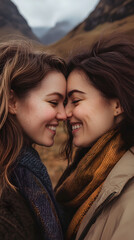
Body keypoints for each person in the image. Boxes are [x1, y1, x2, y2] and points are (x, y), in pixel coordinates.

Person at [55, 35, 134, 240]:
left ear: (118, 105)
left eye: (76, 100)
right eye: (65, 102)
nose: (65, 113)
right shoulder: (91, 173)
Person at [0, 41, 67, 240]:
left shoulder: (24, 173)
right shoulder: (8, 194)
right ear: (13, 102)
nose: (63, 114)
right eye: (53, 102)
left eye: (65, 103)